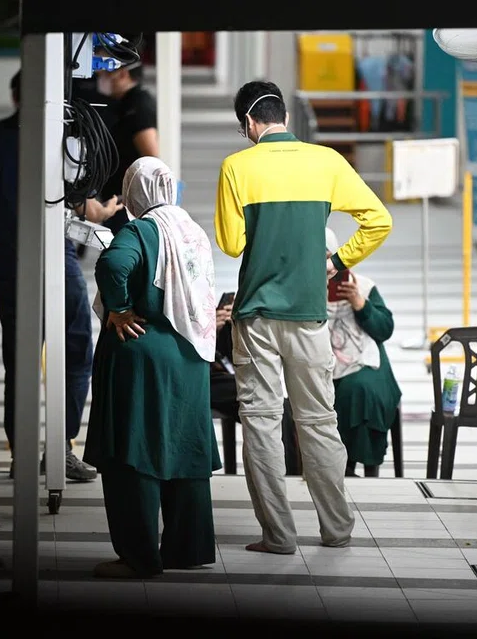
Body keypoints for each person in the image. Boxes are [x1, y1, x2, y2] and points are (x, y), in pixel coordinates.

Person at [214, 80, 393, 555]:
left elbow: (232, 244)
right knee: (318, 421)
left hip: (255, 318)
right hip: (310, 315)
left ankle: (278, 535)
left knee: (262, 422)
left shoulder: (237, 166)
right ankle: (336, 529)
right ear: (285, 119)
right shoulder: (326, 162)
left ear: (249, 124)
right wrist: (335, 261)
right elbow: (379, 220)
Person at [83, 157, 221, 579]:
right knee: (183, 450)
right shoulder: (190, 230)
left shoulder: (142, 229)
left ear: (136, 192)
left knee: (135, 452)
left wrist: (121, 309)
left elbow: (111, 265)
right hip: (190, 357)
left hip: (142, 356)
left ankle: (139, 556)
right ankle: (186, 549)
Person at [0, 98, 109, 483]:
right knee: (78, 348)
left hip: (12, 260)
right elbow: (79, 201)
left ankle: (22, 453)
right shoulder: (61, 140)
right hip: (56, 257)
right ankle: (61, 448)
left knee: (19, 357)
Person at [324, 228, 402, 478]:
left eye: (326, 258)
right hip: (320, 362)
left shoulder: (364, 287)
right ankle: (333, 466)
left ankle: (361, 465)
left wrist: (359, 304)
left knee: (360, 390)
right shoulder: (299, 290)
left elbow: (385, 329)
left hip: (368, 363)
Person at [74, 58, 159, 257]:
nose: (100, 78)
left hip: (128, 204)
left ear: (122, 74)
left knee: (122, 259)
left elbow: (152, 157)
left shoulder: (137, 105)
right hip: (117, 199)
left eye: (104, 72)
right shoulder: (122, 104)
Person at [211, 294, 301, 476]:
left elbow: (230, 358)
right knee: (264, 393)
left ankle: (290, 471)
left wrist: (235, 327)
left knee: (280, 403)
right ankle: (278, 473)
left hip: (222, 377)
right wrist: (207, 329)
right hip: (202, 379)